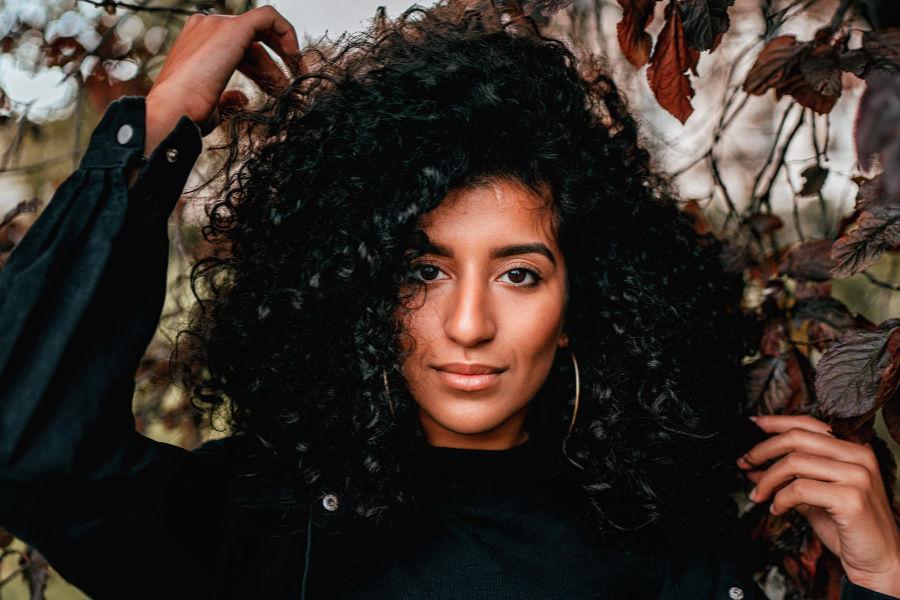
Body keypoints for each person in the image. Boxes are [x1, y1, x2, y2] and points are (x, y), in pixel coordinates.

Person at [0, 2, 898, 599]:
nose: (468, 325)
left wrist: (886, 574)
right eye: (421, 271)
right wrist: (156, 125)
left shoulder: (668, 536)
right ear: (352, 287)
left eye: (519, 274)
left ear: (582, 295)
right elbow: (23, 444)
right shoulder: (257, 522)